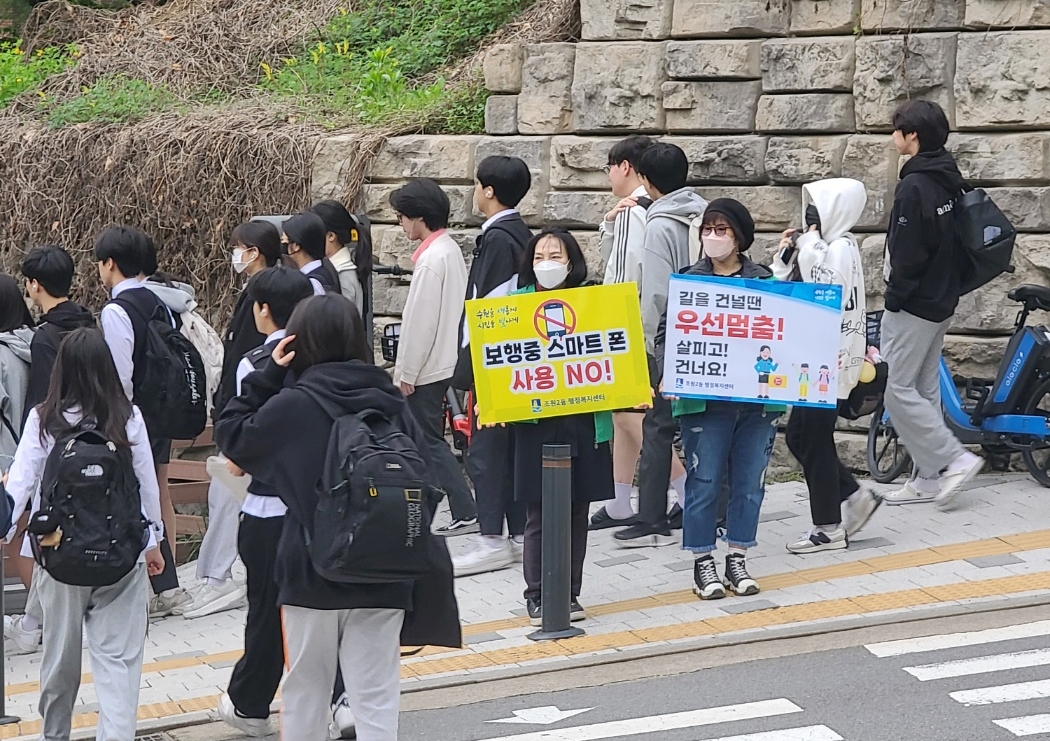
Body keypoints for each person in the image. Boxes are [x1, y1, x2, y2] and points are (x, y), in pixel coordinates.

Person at [216, 293, 458, 741]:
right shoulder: (392, 404)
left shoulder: (294, 406)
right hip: (386, 569)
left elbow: (232, 436)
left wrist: (268, 374)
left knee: (306, 688)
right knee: (375, 691)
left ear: (299, 342)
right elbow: (427, 480)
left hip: (311, 571)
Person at [4, 328, 165, 741]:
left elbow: (20, 485)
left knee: (60, 661)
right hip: (120, 556)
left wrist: (6, 529)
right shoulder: (127, 417)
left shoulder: (44, 418)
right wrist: (152, 543)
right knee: (119, 662)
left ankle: (54, 735)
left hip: (60, 557)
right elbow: (146, 485)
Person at [660, 199, 782, 599]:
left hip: (756, 401)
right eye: (707, 230)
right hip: (704, 401)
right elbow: (668, 336)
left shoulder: (765, 281)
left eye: (722, 230)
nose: (713, 237)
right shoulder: (688, 281)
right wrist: (672, 370)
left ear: (740, 237)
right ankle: (702, 562)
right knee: (705, 478)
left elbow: (787, 334)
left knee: (749, 481)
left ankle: (738, 557)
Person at [216, 266, 313, 737]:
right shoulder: (324, 357)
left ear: (263, 309)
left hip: (265, 509)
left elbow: (240, 447)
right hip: (314, 507)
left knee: (265, 612)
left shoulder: (255, 362)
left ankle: (251, 704)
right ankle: (337, 701)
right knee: (317, 609)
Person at [773, 178, 885, 553]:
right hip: (810, 358)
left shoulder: (839, 248)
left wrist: (807, 245)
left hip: (829, 362)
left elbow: (825, 285)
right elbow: (788, 286)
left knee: (815, 440)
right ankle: (854, 496)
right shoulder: (822, 247)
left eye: (817, 210)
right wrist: (787, 254)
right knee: (798, 436)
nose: (810, 218)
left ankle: (828, 527)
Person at [881, 100, 983, 508]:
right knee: (923, 388)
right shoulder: (946, 177)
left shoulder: (914, 186)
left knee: (894, 386)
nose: (893, 136)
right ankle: (927, 478)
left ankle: (953, 459)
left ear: (913, 137)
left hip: (915, 304)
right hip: (943, 299)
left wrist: (894, 298)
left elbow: (908, 254)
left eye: (898, 130)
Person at [511, 229, 613, 625]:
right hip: (535, 420)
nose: (547, 262)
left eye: (556, 254)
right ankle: (537, 594)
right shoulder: (512, 308)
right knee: (539, 512)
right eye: (540, 255)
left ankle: (569, 592)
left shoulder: (593, 302)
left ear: (571, 262)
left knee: (576, 510)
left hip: (583, 420)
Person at [589, 136, 689, 533]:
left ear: (628, 167)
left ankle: (687, 490)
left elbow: (625, 271)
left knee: (632, 417)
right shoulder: (655, 210)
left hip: (629, 322)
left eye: (610, 166)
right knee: (621, 417)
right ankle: (617, 501)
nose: (609, 175)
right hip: (643, 320)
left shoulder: (635, 212)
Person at [95, 226, 190, 617]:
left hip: (133, 417)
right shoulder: (162, 301)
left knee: (135, 495)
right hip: (164, 412)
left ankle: (149, 585)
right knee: (158, 491)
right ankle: (168, 584)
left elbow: (120, 378)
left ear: (111, 264)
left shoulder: (117, 310)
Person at [615, 142, 707, 548]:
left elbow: (654, 293)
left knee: (656, 425)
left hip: (670, 335)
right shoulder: (705, 215)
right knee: (705, 426)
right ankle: (707, 505)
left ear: (647, 181)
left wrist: (649, 345)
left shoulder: (658, 224)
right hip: (706, 329)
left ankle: (651, 515)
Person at [5, 246, 96, 655]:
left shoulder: (45, 336)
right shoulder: (89, 324)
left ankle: (40, 623)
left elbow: (43, 399)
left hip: (54, 446)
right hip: (96, 440)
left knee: (32, 536)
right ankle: (35, 621)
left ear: (34, 284)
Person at [451, 156, 533, 576]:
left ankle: (491, 537)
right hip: (513, 361)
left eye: (476, 184)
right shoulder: (520, 234)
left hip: (493, 363)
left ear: (488, 190)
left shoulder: (499, 238)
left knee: (485, 450)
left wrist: (470, 364)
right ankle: (518, 533)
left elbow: (489, 306)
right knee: (509, 449)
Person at [389, 179, 478, 535]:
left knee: (428, 440)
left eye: (400, 217)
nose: (399, 224)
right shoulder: (448, 250)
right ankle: (450, 503)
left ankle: (463, 508)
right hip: (447, 359)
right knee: (431, 439)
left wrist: (405, 371)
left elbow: (419, 323)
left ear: (417, 217)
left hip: (427, 367)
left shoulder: (430, 260)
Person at [310, 200, 367, 316]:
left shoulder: (343, 274)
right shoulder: (333, 268)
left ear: (331, 236)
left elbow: (340, 323)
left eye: (315, 233)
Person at [282, 211, 339, 295]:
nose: (283, 246)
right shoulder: (326, 270)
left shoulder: (312, 283)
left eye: (284, 241)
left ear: (296, 246)